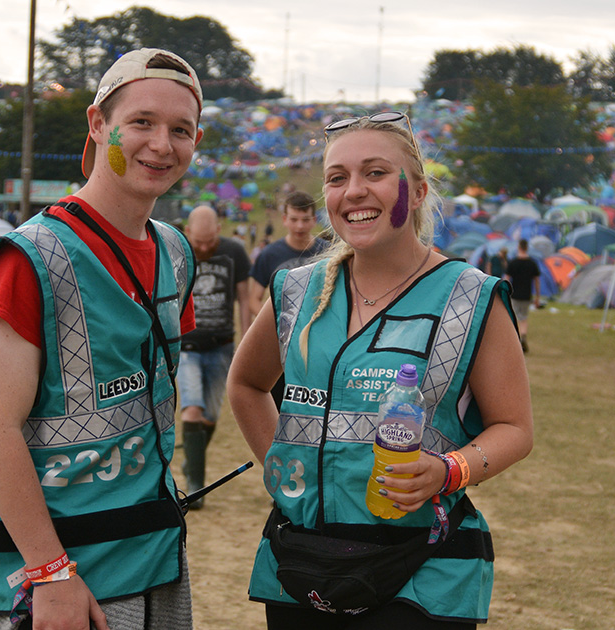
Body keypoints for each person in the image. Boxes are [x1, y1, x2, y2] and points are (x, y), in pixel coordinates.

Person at [227, 112, 533, 629]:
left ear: (414, 191)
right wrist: (283, 474)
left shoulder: (471, 295)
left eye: (374, 173)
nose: (353, 192)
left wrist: (447, 470)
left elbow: (515, 429)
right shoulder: (296, 290)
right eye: (337, 177)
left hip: (423, 570)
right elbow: (246, 384)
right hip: (303, 562)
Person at [0, 48, 204, 630]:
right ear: (98, 124)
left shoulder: (174, 252)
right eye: (141, 122)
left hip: (153, 557)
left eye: (181, 130)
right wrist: (50, 570)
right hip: (64, 576)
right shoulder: (30, 259)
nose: (162, 145)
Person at [177, 204, 252, 509]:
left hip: (222, 346)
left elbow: (245, 301)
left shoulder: (235, 252)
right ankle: (196, 486)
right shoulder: (178, 252)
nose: (205, 248)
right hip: (188, 347)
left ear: (219, 230)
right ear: (188, 233)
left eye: (210, 242)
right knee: (191, 410)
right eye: (199, 243)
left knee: (209, 417)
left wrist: (247, 341)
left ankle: (192, 463)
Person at [247, 191, 328, 407]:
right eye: (294, 219)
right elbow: (254, 299)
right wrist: (279, 323)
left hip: (321, 345)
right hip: (281, 347)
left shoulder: (328, 252)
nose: (299, 226)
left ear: (314, 219)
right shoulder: (269, 255)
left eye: (305, 220)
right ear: (284, 220)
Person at [505, 239, 540, 353]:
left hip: (515, 295)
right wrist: (537, 297)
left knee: (513, 318)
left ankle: (515, 341)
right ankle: (523, 335)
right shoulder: (532, 263)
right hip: (526, 295)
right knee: (524, 318)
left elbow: (507, 279)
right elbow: (536, 280)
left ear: (519, 247)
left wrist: (504, 293)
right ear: (527, 248)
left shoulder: (513, 262)